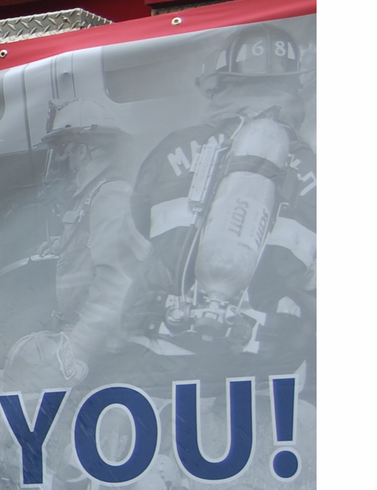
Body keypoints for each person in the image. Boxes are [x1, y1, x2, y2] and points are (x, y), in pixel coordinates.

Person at [110, 24, 317, 390]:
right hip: (263, 365)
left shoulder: (176, 146)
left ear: (221, 85)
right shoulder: (309, 165)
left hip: (163, 353)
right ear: (292, 88)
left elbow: (134, 233)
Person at [0, 99, 150, 391]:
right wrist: (63, 245)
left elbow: (114, 286)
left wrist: (75, 349)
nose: (59, 159)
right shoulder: (94, 194)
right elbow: (95, 247)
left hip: (103, 352)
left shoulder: (110, 194)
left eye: (62, 148)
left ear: (83, 149)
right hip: (93, 346)